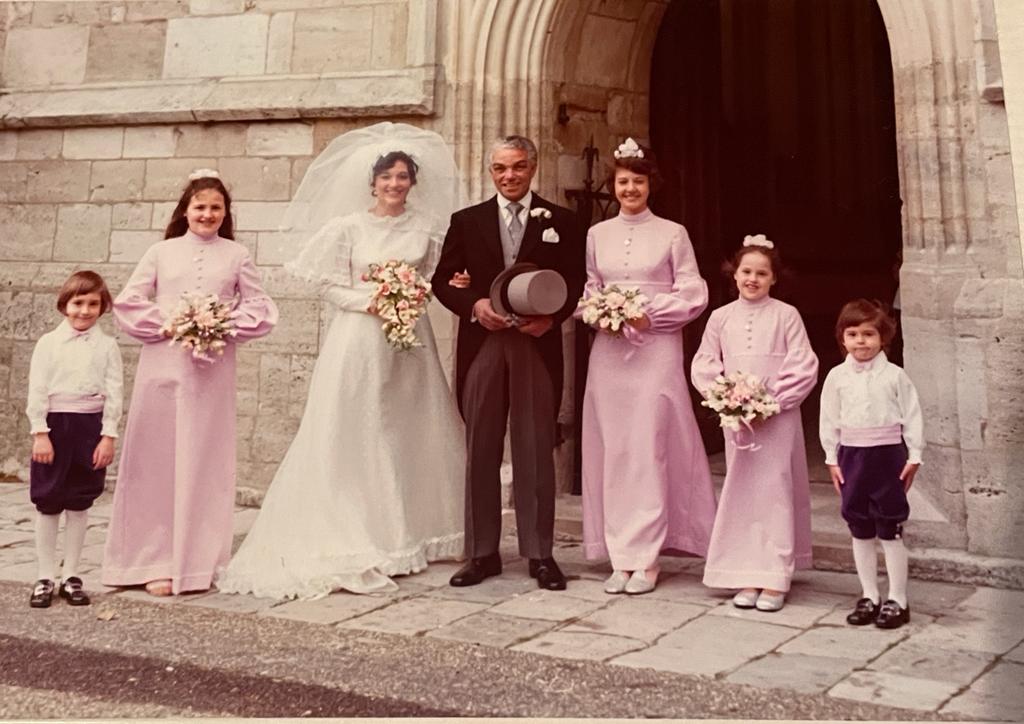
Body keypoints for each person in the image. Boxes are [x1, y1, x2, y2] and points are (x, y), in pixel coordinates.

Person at [217, 122, 466, 599]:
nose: (395, 184)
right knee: (360, 425)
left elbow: (436, 277)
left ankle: (410, 530)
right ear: (371, 183)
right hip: (358, 339)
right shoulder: (348, 228)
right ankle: (359, 530)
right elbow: (321, 282)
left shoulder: (426, 230)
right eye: (386, 177)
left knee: (407, 425)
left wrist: (420, 292)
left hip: (410, 342)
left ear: (413, 181)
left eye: (402, 176)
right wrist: (366, 300)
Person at [102, 171, 278, 597]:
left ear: (225, 213)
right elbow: (129, 301)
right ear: (186, 210)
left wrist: (220, 323)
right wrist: (172, 322)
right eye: (200, 206)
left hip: (211, 372)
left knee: (203, 458)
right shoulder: (161, 252)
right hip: (162, 367)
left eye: (216, 208)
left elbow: (261, 307)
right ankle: (148, 559)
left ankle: (197, 563)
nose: (207, 214)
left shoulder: (236, 255)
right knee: (156, 458)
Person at [432, 135, 586, 590]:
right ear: (490, 172)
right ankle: (481, 553)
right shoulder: (467, 220)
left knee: (536, 446)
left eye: (518, 167)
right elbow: (444, 279)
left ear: (532, 167)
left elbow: (576, 282)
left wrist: (552, 318)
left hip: (535, 345)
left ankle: (540, 554)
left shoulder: (562, 221)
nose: (509, 176)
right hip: (485, 343)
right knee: (481, 444)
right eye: (500, 168)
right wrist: (474, 305)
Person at [575, 139, 717, 595]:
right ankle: (621, 554)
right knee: (616, 448)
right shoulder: (598, 235)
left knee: (650, 444)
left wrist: (649, 315)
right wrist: (601, 312)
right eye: (622, 181)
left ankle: (649, 554)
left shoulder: (672, 233)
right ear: (612, 186)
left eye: (637, 181)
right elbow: (591, 290)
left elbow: (694, 290)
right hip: (611, 352)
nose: (629, 188)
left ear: (650, 184)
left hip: (655, 349)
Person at [691, 236, 818, 611]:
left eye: (762, 273)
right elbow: (704, 362)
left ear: (773, 279)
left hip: (775, 421)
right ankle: (745, 573)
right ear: (735, 274)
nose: (753, 279)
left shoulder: (786, 315)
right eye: (746, 271)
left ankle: (775, 576)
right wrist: (726, 397)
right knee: (743, 493)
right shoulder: (721, 317)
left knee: (776, 492)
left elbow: (803, 364)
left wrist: (770, 401)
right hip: (739, 422)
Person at [820, 299, 922, 629]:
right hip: (852, 456)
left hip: (887, 455)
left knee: (889, 527)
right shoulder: (837, 377)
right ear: (842, 338)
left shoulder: (894, 376)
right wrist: (832, 458)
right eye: (853, 334)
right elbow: (829, 419)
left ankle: (898, 599)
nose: (861, 341)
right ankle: (869, 595)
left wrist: (914, 454)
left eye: (869, 334)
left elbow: (912, 415)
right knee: (859, 526)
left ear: (883, 338)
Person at [26, 271, 123, 608]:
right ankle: (44, 575)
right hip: (54, 427)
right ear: (64, 305)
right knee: (49, 499)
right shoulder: (48, 344)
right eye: (78, 303)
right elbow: (37, 390)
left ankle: (72, 575)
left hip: (89, 428)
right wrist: (40, 432)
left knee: (80, 500)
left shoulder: (108, 346)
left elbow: (115, 392)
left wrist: (107, 436)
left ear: (103, 307)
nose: (85, 310)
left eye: (93, 304)